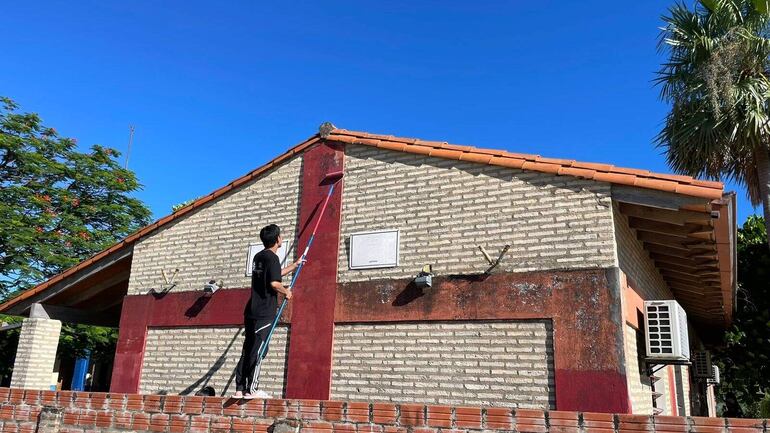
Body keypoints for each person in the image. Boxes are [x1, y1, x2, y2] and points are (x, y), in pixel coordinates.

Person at [233, 224, 302, 399]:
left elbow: (274, 275)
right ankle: (253, 390)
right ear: (278, 239)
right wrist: (286, 292)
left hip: (251, 311)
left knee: (248, 349)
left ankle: (240, 389)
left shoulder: (259, 256)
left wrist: (294, 266)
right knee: (259, 350)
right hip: (264, 312)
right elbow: (274, 283)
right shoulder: (272, 258)